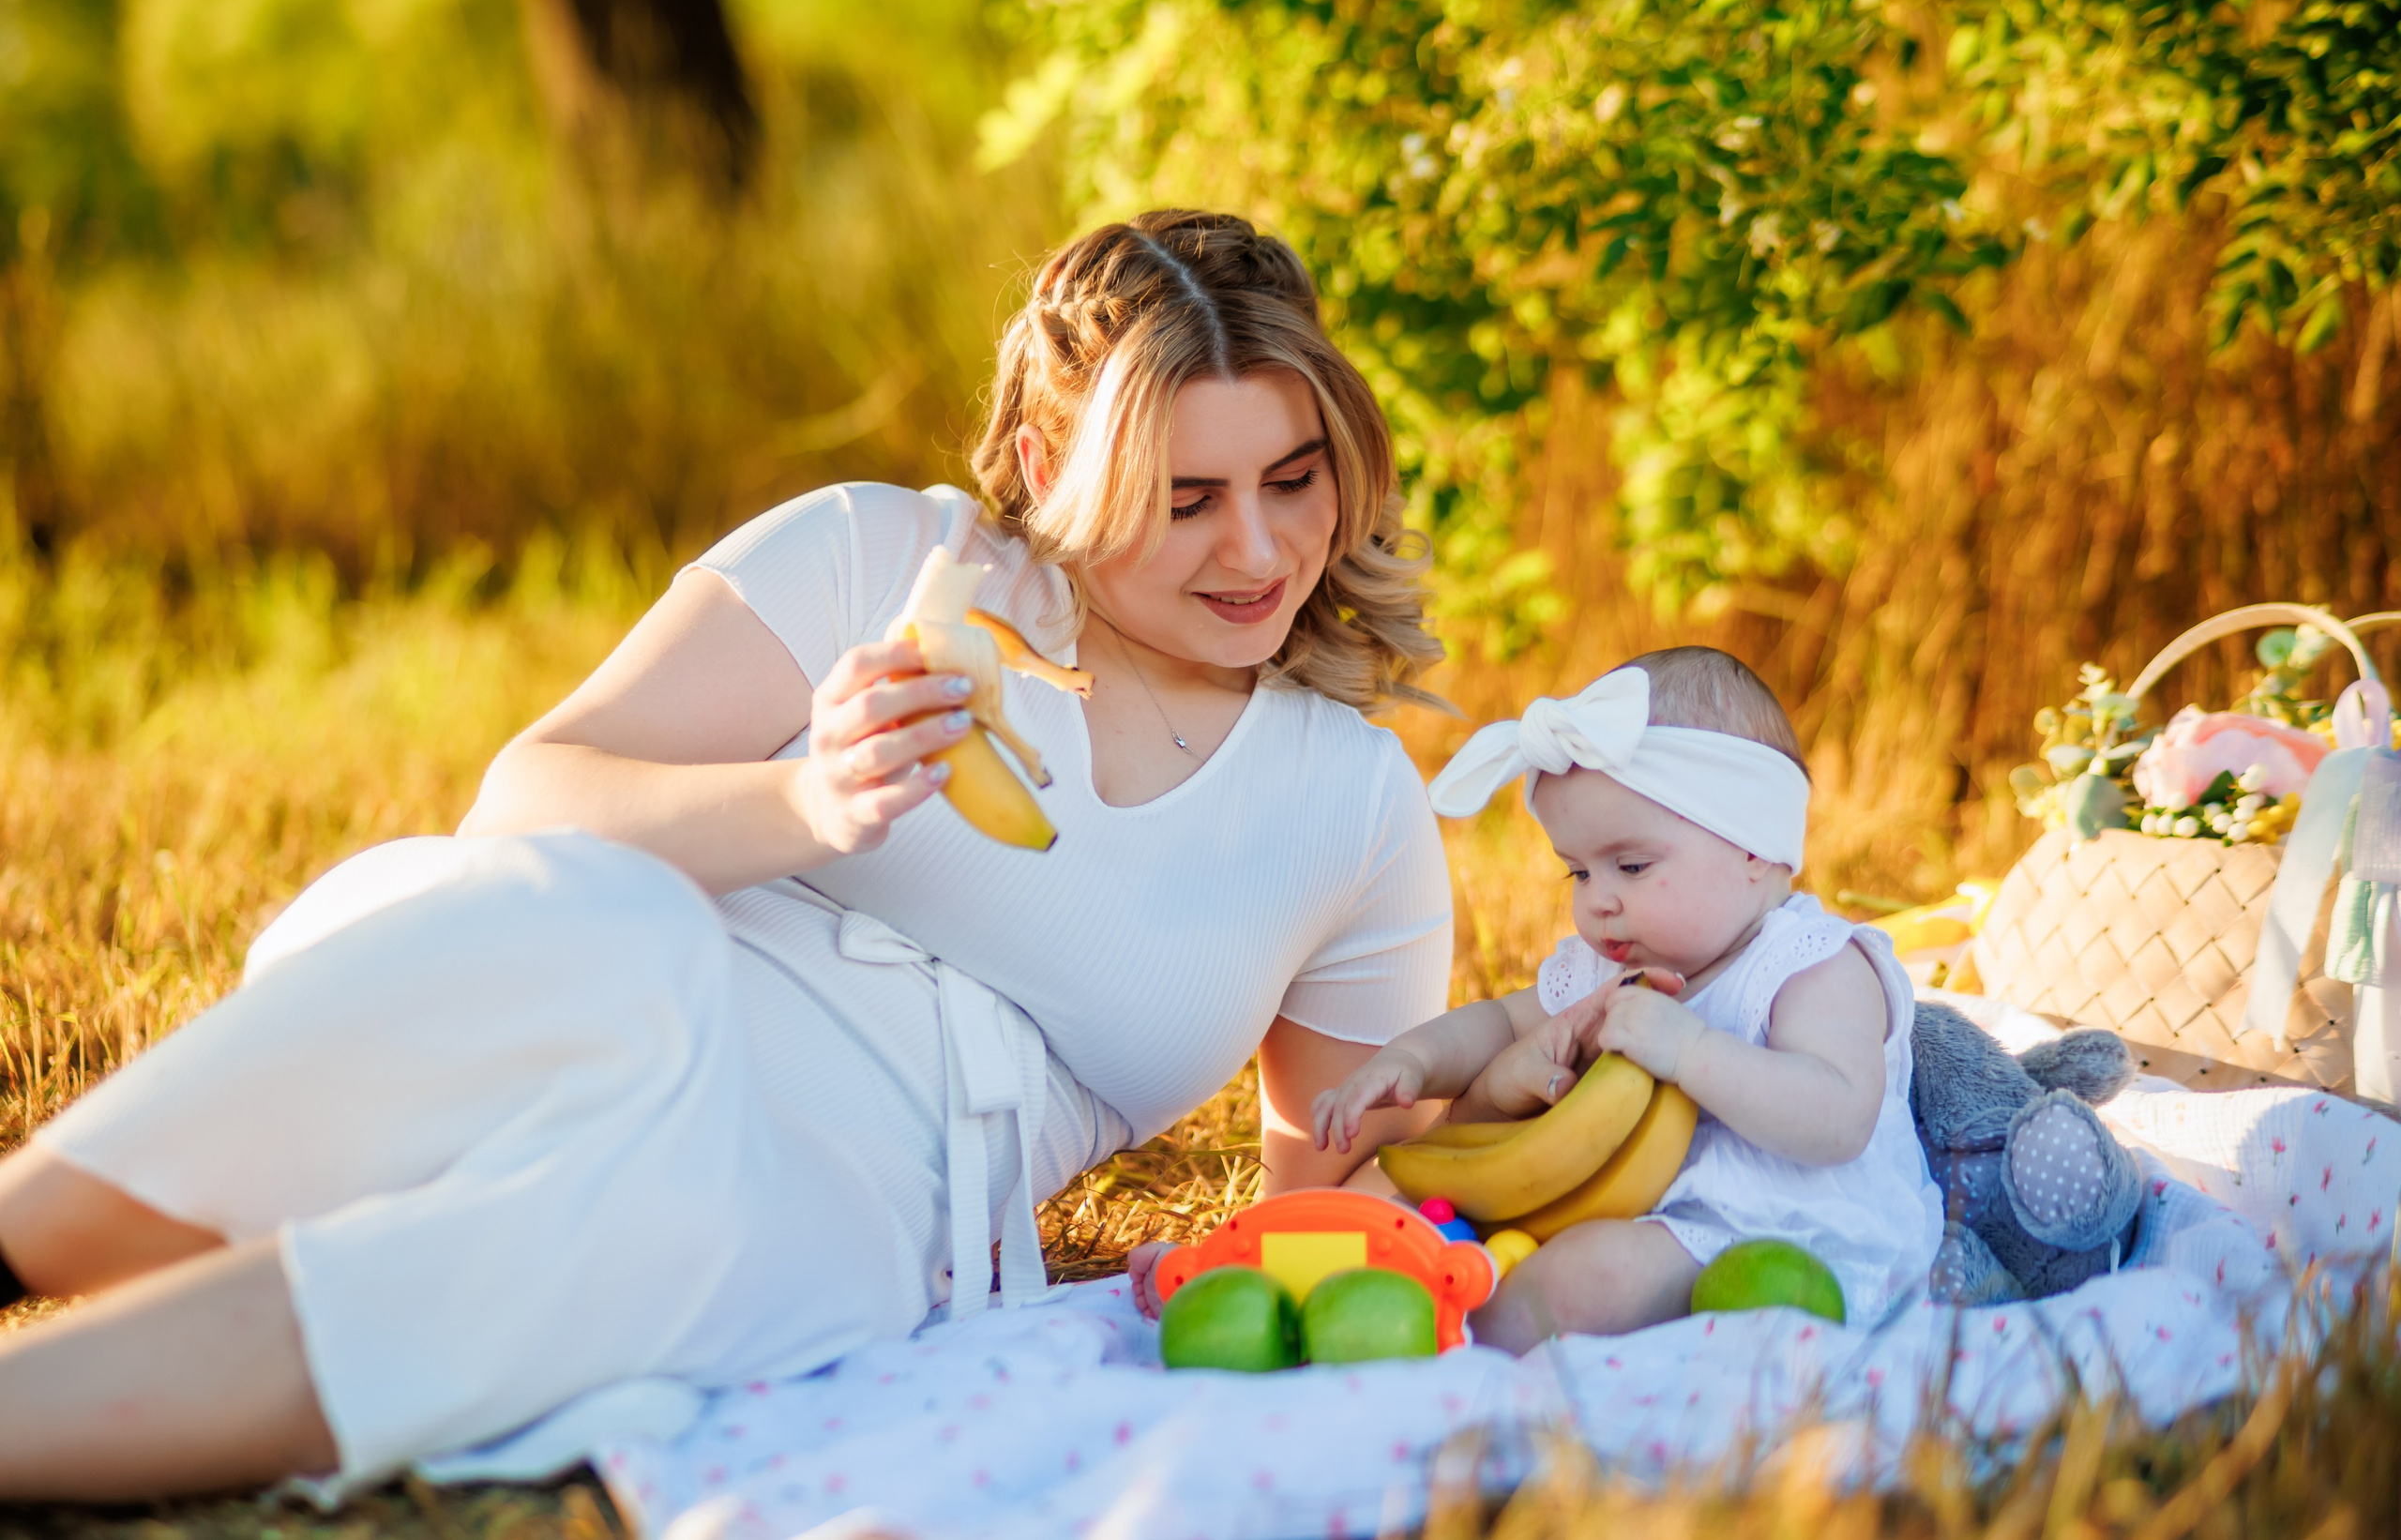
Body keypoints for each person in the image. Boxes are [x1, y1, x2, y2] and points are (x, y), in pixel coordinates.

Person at [0, 211, 1456, 1501]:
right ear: (1046, 461)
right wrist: (806, 806)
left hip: (844, 1193)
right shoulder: (886, 559)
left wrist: (1515, 1102)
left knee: (630, 1235)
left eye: (1295, 475)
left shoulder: (1353, 806)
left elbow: (1324, 1209)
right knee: (613, 940)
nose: (1258, 549)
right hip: (554, 1005)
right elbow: (523, 800)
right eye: (1187, 498)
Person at [1310, 649, 1943, 1349]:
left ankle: (1437, 1338)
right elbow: (1497, 1022)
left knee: (1591, 1274)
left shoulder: (1808, 963)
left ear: (1755, 849)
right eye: (1577, 871)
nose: (1598, 900)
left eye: (1632, 865)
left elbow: (1839, 1116)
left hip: (1782, 1236)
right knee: (1378, 1194)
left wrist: (1692, 1049)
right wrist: (1412, 1060)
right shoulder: (1604, 970)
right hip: (1622, 1208)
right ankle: (1301, 1284)